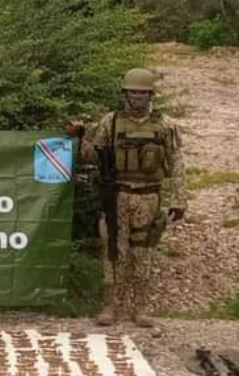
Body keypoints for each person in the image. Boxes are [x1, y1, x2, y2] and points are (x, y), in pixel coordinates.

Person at [67, 68, 185, 328]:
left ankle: (139, 307)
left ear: (150, 94)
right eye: (133, 92)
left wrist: (179, 198)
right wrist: (79, 138)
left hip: (148, 196)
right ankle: (110, 306)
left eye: (142, 92)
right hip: (117, 194)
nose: (138, 97)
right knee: (112, 251)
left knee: (143, 253)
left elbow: (176, 161)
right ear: (125, 94)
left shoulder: (165, 125)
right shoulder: (111, 121)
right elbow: (93, 157)